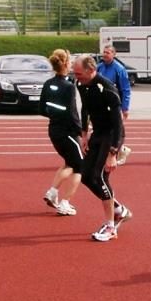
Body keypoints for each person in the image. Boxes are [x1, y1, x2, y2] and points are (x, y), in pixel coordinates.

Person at [72, 54, 131, 242]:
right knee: (86, 176)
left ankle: (111, 226)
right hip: (97, 133)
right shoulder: (80, 84)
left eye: (78, 73)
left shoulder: (107, 88)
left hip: (111, 135)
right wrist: (84, 134)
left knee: (100, 177)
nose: (76, 77)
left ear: (91, 70)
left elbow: (118, 124)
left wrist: (113, 153)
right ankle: (119, 209)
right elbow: (85, 108)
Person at [40, 49, 83, 216]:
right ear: (65, 64)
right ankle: (65, 203)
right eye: (70, 61)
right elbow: (72, 112)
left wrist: (55, 115)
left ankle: (52, 192)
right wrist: (81, 131)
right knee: (80, 167)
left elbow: (41, 109)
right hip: (67, 133)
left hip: (53, 130)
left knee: (69, 163)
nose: (71, 64)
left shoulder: (48, 83)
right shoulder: (69, 87)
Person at [96, 45, 132, 165]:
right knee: (105, 129)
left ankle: (116, 153)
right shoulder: (99, 67)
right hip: (101, 105)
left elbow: (126, 89)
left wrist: (125, 108)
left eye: (108, 53)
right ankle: (122, 150)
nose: (105, 54)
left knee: (118, 130)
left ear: (114, 54)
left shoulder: (119, 69)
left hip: (115, 105)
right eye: (104, 52)